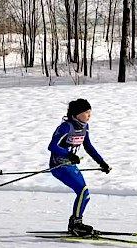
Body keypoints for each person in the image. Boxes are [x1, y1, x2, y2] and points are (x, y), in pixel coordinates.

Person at [48, 98, 111, 236]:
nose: (89, 115)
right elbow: (52, 146)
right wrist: (68, 154)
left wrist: (101, 162)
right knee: (83, 191)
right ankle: (75, 224)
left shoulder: (84, 127)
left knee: (85, 195)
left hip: (70, 165)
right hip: (59, 165)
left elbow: (88, 146)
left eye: (90, 112)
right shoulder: (66, 127)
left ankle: (76, 223)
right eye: (86, 112)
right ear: (77, 113)